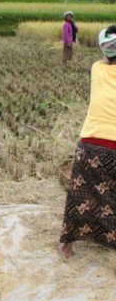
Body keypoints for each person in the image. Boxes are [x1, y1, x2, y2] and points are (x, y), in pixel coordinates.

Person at [59, 25, 116, 258]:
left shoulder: (97, 69)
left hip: (90, 143)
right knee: (111, 197)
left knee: (79, 195)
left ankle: (66, 245)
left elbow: (106, 56)